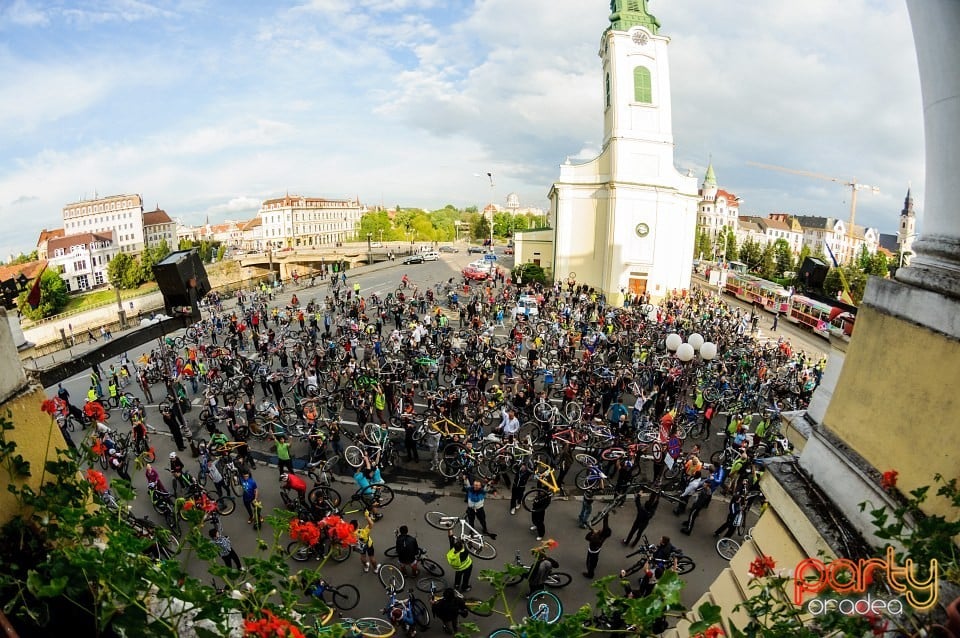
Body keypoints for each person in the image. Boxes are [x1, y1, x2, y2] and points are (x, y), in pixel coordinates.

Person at [583, 513, 612, 578]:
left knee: (590, 563)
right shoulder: (604, 535)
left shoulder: (596, 538)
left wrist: (592, 532)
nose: (601, 529)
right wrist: (606, 516)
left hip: (592, 551)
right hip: (597, 550)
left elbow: (587, 538)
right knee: (595, 559)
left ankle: (590, 574)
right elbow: (605, 525)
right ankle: (594, 565)